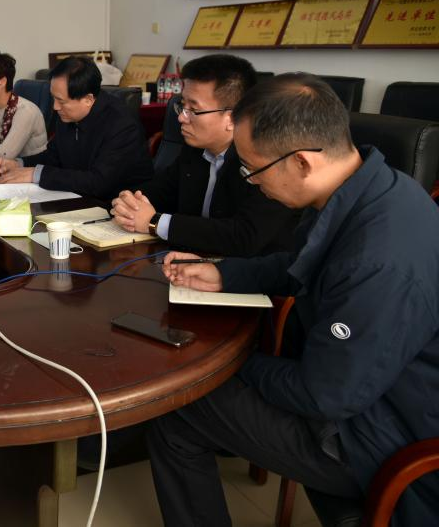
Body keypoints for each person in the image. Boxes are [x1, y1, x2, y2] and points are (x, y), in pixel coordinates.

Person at [148, 73, 439, 526]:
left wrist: (219, 364)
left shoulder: (378, 260)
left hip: (377, 435)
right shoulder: (371, 187)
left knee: (179, 406)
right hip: (366, 389)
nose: (251, 182)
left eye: (253, 169)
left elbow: (323, 395)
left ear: (301, 161)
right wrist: (225, 273)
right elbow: (303, 263)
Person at [111, 54, 298, 256]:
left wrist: (155, 222)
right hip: (189, 262)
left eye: (193, 109)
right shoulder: (195, 150)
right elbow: (159, 191)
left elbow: (244, 235)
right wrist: (127, 202)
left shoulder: (265, 161)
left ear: (232, 118)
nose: (181, 118)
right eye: (182, 105)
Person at [0, 56, 152, 198]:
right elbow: (54, 156)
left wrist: (36, 174)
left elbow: (99, 182)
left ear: (88, 99)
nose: (55, 107)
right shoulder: (68, 114)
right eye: (53, 98)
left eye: (61, 101)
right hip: (79, 198)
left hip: (118, 206)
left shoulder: (122, 125)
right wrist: (19, 164)